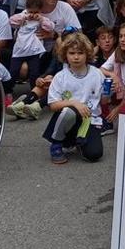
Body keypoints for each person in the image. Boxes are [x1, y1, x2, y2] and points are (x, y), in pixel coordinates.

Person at [45, 33, 108, 164]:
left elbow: (103, 102)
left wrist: (108, 94)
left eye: (80, 53)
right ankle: (56, 143)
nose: (76, 57)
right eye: (72, 53)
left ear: (87, 55)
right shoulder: (60, 76)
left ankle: (79, 142)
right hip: (69, 117)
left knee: (94, 154)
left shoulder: (97, 74)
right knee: (68, 111)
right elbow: (52, 105)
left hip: (90, 119)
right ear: (65, 55)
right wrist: (74, 103)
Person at [8, 0, 53, 92]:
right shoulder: (22, 16)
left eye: (36, 12)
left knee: (34, 73)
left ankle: (34, 92)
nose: (32, 15)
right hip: (19, 51)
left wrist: (41, 20)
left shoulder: (42, 19)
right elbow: (11, 21)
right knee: (13, 72)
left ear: (40, 10)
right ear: (26, 9)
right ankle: (8, 91)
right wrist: (24, 18)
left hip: (34, 51)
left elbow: (50, 27)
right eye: (30, 11)